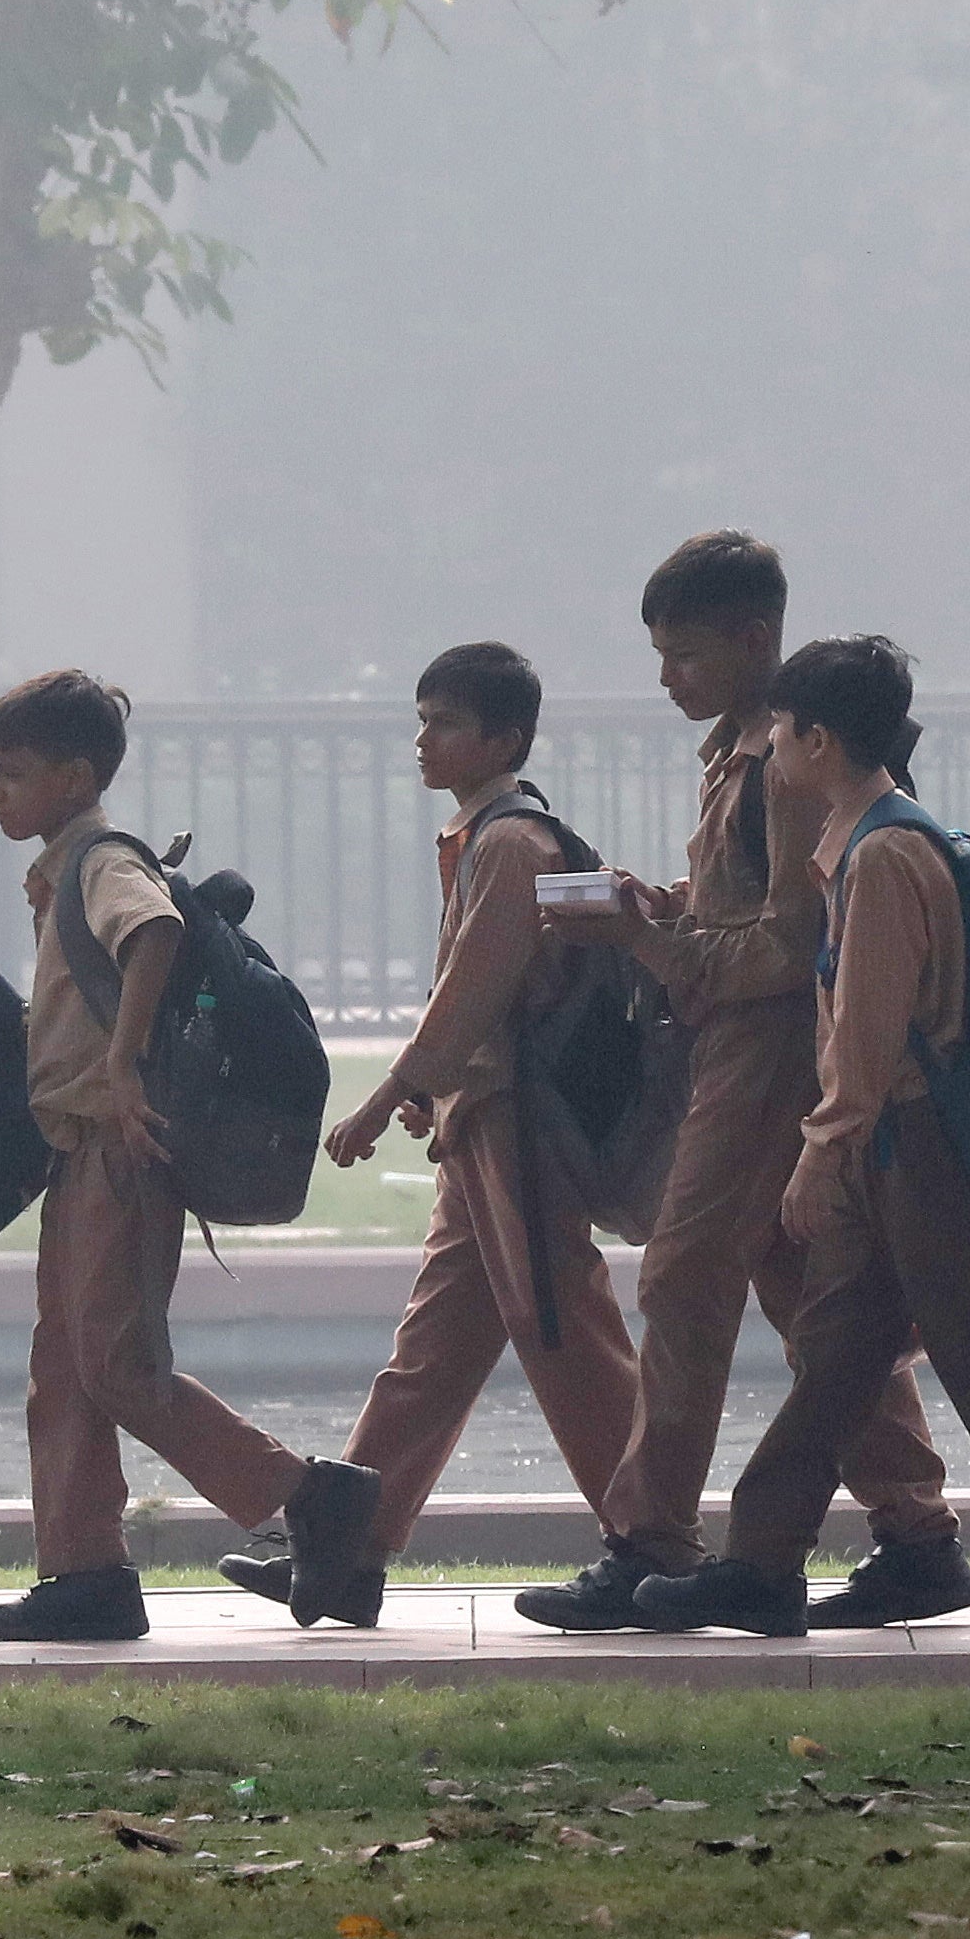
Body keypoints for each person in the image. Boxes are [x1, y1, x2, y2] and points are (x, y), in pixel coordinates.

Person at [630, 638, 970, 1636]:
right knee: (837, 1359)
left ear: (818, 739)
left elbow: (866, 1038)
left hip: (909, 1151)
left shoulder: (882, 860)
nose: (772, 746)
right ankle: (762, 1560)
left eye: (782, 730)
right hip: (895, 1149)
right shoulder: (874, 845)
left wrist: (820, 1156)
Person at [524, 531, 970, 1632]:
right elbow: (752, 906)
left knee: (682, 1276)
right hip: (747, 1041)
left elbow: (788, 946)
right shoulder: (745, 753)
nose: (667, 676)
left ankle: (648, 1539)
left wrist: (652, 944)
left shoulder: (787, 759)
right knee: (804, 1290)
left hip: (769, 1046)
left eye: (683, 653)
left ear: (753, 636)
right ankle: (918, 1531)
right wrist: (670, 909)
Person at [222, 644, 640, 1616]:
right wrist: (433, 1096)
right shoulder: (480, 835)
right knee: (435, 1351)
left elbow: (471, 996)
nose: (423, 739)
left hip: (519, 1130)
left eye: (444, 722)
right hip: (481, 1124)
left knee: (565, 1333)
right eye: (421, 719)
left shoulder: (509, 843)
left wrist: (382, 1100)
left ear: (503, 738)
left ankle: (652, 1540)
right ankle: (343, 1547)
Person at [0, 667, 379, 1641]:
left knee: (116, 1362)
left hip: (120, 1145)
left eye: (14, 772)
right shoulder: (68, 861)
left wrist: (121, 1067)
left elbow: (151, 929)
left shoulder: (101, 859)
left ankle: (311, 1495)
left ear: (75, 776)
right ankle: (86, 1574)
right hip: (78, 1155)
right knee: (66, 1366)